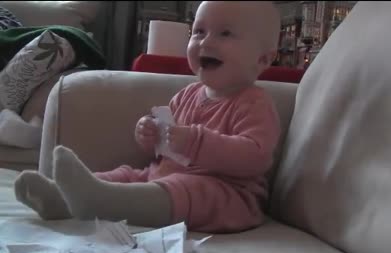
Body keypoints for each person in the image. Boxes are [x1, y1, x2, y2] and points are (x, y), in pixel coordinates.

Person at [14, 1, 282, 233]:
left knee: (187, 186)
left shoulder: (255, 102)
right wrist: (150, 135)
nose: (205, 42)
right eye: (198, 31)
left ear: (262, 59)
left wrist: (194, 141)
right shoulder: (186, 95)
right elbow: (164, 152)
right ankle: (61, 198)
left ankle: (100, 202)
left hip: (227, 196)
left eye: (225, 33)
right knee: (129, 175)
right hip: (163, 177)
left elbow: (256, 157)